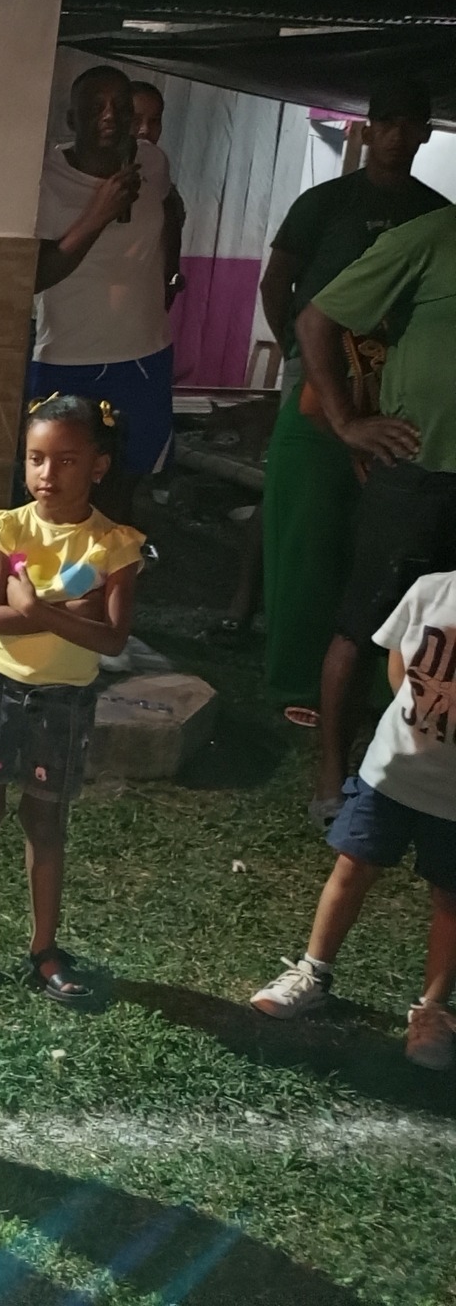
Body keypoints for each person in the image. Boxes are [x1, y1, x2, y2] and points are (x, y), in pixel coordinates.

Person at [0, 395, 144, 1010]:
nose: (48, 473)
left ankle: (44, 948)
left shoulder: (114, 546)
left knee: (46, 822)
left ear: (98, 465)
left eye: (66, 460)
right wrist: (68, 611)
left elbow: (113, 638)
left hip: (65, 701)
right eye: (36, 458)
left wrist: (34, 607)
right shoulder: (6, 529)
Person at [259, 82, 443, 725]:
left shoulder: (433, 213)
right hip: (318, 383)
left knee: (378, 541)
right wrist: (297, 352)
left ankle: (375, 685)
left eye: (410, 123)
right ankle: (294, 679)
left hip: (394, 393)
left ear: (426, 133)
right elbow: (279, 282)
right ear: (367, 129)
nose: (396, 135)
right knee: (307, 531)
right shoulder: (326, 203)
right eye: (385, 122)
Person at [250, 568, 456, 1072]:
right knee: (353, 866)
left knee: (450, 899)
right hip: (392, 772)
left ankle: (432, 1012)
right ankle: (312, 973)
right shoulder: (432, 590)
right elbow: (398, 663)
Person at [298, 187, 456, 825]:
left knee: (449, 637)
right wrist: (347, 422)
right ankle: (331, 778)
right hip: (417, 473)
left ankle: (430, 779)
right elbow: (316, 320)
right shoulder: (431, 236)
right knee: (362, 625)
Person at [29, 67, 180, 522]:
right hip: (67, 356)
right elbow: (36, 275)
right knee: (59, 489)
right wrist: (98, 214)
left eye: (121, 106)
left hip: (144, 355)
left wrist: (169, 276)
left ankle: (109, 565)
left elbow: (172, 208)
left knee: (123, 488)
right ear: (72, 119)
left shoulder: (151, 163)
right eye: (96, 106)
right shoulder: (44, 178)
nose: (110, 116)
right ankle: (55, 567)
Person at [127, 80, 187, 312]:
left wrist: (170, 283)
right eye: (135, 120)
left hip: (147, 309)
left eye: (154, 121)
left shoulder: (167, 190)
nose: (145, 130)